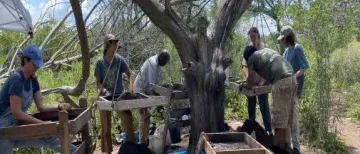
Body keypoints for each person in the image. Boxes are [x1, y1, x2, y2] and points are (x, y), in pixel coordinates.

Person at [0, 45, 76, 153]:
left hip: (15, 124)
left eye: (38, 64)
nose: (37, 66)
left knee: (47, 136)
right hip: (3, 130)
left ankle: (77, 151)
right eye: (34, 63)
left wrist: (59, 106)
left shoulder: (33, 81)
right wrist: (42, 124)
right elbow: (16, 113)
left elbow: (41, 107)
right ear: (26, 60)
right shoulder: (16, 80)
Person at [242, 46, 297, 152]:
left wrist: (245, 85)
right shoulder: (267, 51)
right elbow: (271, 71)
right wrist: (262, 83)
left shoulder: (252, 58)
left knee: (278, 119)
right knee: (285, 117)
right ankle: (284, 146)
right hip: (293, 78)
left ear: (247, 57)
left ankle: (277, 149)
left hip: (281, 81)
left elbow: (250, 83)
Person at [94, 34, 135, 144]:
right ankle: (107, 149)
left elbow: (129, 74)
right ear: (108, 44)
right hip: (106, 97)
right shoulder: (100, 62)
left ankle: (130, 146)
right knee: (106, 128)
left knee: (128, 118)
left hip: (118, 96)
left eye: (116, 42)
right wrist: (103, 90)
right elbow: (98, 83)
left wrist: (131, 86)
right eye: (114, 42)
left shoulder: (119, 59)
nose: (116, 44)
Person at [278, 25, 309, 154]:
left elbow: (304, 67)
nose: (282, 41)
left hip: (294, 90)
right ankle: (287, 145)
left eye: (283, 38)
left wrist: (293, 77)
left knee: (293, 119)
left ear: (288, 37)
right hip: (285, 90)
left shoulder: (297, 49)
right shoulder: (286, 52)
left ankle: (296, 148)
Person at [133, 50, 170, 146]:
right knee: (142, 115)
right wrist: (159, 100)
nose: (165, 64)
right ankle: (141, 141)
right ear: (162, 59)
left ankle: (145, 139)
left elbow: (155, 85)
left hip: (145, 90)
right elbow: (152, 85)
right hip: (140, 89)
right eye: (165, 62)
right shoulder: (153, 63)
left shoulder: (156, 64)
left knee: (147, 115)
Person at [242, 27, 272, 135]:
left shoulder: (264, 48)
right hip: (252, 81)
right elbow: (244, 66)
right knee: (251, 105)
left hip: (262, 81)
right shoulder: (248, 48)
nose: (252, 38)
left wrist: (263, 82)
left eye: (254, 36)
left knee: (264, 106)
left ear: (258, 35)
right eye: (251, 36)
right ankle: (252, 130)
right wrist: (248, 77)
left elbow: (268, 67)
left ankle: (269, 131)